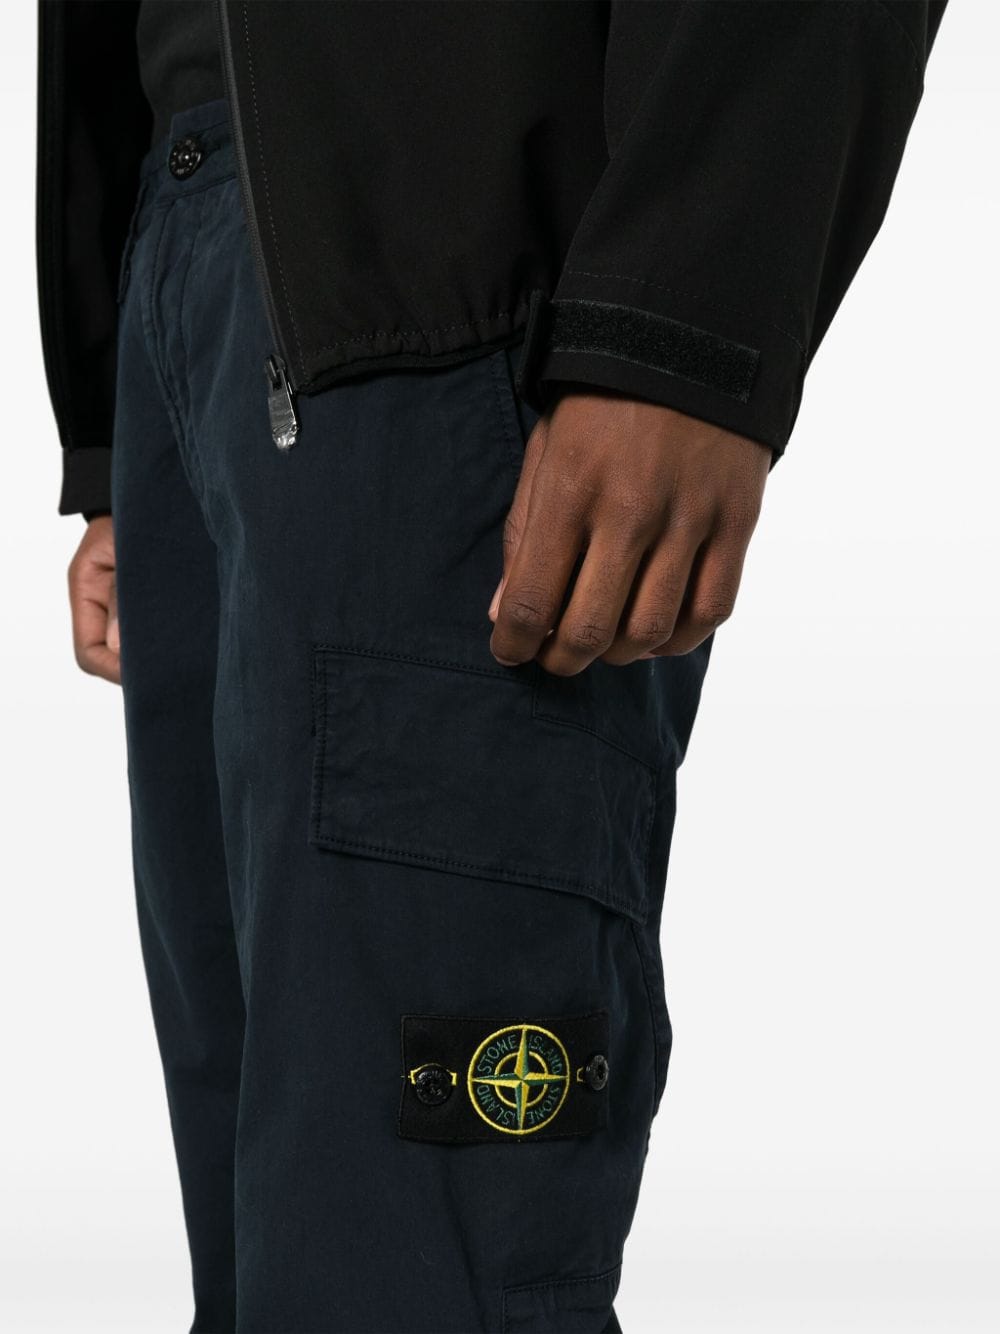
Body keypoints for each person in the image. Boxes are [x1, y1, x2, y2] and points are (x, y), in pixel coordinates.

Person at [35, 2, 949, 1330]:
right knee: (272, 1272)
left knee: (409, 1274)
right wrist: (121, 431)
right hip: (194, 251)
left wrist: (684, 310)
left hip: (451, 273)